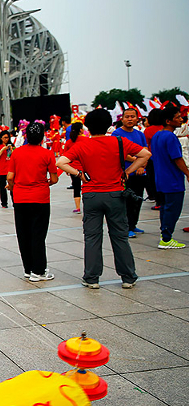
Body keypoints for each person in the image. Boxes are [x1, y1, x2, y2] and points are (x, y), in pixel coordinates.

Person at [56, 108, 151, 289]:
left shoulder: (82, 145)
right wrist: (128, 172)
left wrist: (79, 174)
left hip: (91, 195)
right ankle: (128, 277)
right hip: (115, 194)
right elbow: (146, 155)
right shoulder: (119, 141)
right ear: (109, 124)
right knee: (120, 237)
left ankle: (92, 278)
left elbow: (60, 162)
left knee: (92, 237)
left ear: (88, 127)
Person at [7, 123, 58, 282]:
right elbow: (54, 178)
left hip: (20, 197)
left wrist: (16, 185)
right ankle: (39, 271)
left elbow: (9, 177)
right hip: (40, 198)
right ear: (42, 137)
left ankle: (28, 269)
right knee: (38, 234)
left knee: (23, 234)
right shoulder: (47, 154)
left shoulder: (17, 153)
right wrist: (44, 183)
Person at [150, 105, 189, 249]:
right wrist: (187, 173)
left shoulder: (157, 136)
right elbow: (177, 158)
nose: (181, 119)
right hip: (173, 180)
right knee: (173, 209)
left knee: (165, 208)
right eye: (177, 117)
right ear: (168, 121)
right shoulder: (170, 137)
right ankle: (166, 238)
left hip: (161, 179)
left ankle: (164, 235)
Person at [111, 108, 149, 238]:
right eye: (127, 116)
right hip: (125, 174)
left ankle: (133, 224)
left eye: (132, 116)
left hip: (140, 173)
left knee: (137, 200)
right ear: (122, 119)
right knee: (127, 202)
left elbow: (146, 151)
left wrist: (142, 165)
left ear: (137, 118)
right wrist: (137, 161)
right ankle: (126, 227)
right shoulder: (116, 133)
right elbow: (119, 153)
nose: (130, 119)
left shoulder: (140, 134)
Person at [63, 123, 85, 213]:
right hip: (85, 167)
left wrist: (66, 169)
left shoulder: (69, 142)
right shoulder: (86, 140)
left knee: (76, 187)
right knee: (87, 186)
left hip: (73, 168)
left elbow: (65, 156)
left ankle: (78, 207)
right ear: (80, 130)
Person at [0, 130, 14, 208]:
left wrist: (11, 149)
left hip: (10, 169)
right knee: (3, 187)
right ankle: (4, 203)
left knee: (13, 186)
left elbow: (15, 155)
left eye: (7, 137)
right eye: (4, 138)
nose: (6, 139)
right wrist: (3, 149)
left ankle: (15, 201)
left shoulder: (11, 145)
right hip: (2, 169)